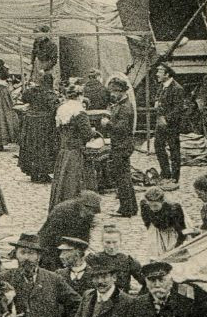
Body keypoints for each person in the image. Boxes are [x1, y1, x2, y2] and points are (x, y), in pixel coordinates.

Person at [47, 83, 97, 211]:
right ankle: (76, 208)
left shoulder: (62, 109)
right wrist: (93, 132)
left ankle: (61, 205)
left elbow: (58, 131)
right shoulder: (79, 111)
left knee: (63, 179)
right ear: (80, 96)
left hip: (64, 151)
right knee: (75, 181)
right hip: (76, 150)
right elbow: (86, 133)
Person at [39, 191, 103, 272]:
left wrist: (82, 251)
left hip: (70, 246)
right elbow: (51, 236)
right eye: (89, 210)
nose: (91, 213)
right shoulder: (62, 211)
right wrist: (68, 250)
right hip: (50, 246)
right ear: (82, 206)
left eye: (93, 211)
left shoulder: (88, 216)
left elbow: (84, 236)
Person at [103, 75, 139, 216]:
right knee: (125, 176)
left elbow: (121, 128)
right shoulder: (122, 105)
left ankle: (125, 209)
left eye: (113, 92)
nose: (112, 94)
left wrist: (107, 124)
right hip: (122, 144)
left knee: (122, 177)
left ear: (120, 91)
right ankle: (131, 207)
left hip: (122, 145)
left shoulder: (124, 107)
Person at [17, 71, 59, 183]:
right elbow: (55, 107)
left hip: (30, 123)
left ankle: (33, 173)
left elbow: (24, 98)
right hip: (43, 124)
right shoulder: (50, 94)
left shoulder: (32, 91)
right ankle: (43, 173)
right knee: (43, 147)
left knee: (31, 146)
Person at [153, 66, 191, 183]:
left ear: (167, 74)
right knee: (158, 146)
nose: (157, 74)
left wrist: (166, 118)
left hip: (172, 125)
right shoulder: (162, 86)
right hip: (160, 124)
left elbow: (178, 109)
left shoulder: (177, 88)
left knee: (174, 150)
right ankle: (165, 173)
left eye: (160, 72)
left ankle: (174, 177)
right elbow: (158, 99)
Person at [95, 223, 144, 294]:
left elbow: (146, 281)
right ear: (102, 242)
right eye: (108, 242)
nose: (111, 246)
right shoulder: (95, 259)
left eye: (115, 242)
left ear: (120, 242)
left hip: (121, 301)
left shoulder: (128, 261)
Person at [140, 186, 187, 256]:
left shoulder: (174, 209)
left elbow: (182, 231)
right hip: (156, 229)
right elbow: (147, 223)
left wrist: (177, 246)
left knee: (173, 252)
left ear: (162, 201)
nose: (152, 208)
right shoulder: (145, 206)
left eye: (155, 206)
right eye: (150, 205)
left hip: (172, 230)